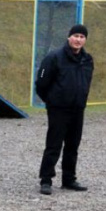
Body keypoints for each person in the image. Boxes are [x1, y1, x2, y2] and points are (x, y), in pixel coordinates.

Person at [35, 24, 94, 196]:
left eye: (82, 37)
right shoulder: (54, 57)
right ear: (69, 37)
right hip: (58, 109)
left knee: (73, 145)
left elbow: (86, 84)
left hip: (77, 108)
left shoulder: (87, 60)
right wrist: (52, 101)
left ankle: (69, 179)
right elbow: (41, 84)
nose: (78, 39)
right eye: (75, 36)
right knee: (53, 145)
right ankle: (46, 180)